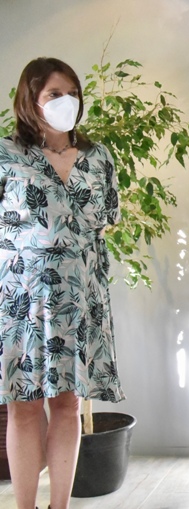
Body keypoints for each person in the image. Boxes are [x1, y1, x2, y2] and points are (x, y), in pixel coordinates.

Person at [0, 57, 124, 509]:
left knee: (69, 405)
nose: (66, 101)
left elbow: (107, 219)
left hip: (80, 298)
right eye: (54, 94)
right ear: (30, 99)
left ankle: (59, 506)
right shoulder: (6, 155)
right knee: (24, 405)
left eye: (72, 93)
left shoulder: (99, 156)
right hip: (23, 300)